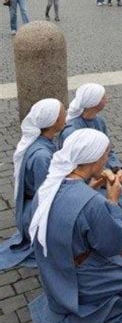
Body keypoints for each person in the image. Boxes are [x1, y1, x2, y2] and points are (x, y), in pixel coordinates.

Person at [28, 129, 122, 323]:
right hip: (83, 275)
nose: (108, 158)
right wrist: (113, 202)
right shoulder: (92, 203)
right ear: (96, 158)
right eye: (106, 154)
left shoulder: (48, 188)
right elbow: (114, 245)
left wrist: (90, 188)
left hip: (56, 269)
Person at [0, 99, 66, 269]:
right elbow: (47, 195)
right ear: (52, 121)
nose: (66, 113)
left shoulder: (44, 142)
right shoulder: (41, 156)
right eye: (62, 112)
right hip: (35, 212)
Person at [59, 83, 122, 204]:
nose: (106, 99)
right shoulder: (72, 131)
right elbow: (75, 166)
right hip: (90, 181)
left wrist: (118, 169)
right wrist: (102, 175)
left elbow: (109, 151)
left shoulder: (100, 121)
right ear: (94, 102)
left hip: (105, 172)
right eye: (103, 97)